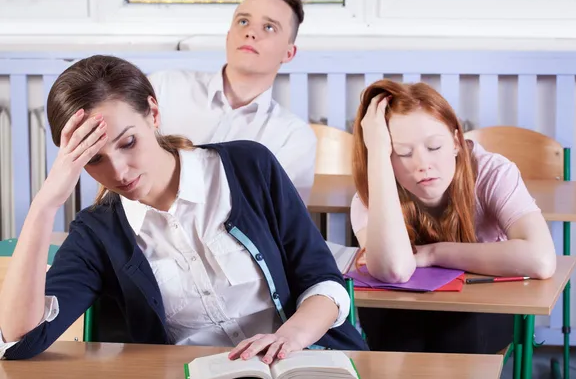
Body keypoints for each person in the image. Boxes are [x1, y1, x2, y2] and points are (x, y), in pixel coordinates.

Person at [0, 55, 367, 361]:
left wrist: (291, 337)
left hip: (306, 360)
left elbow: (323, 280)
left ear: (153, 113)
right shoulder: (97, 233)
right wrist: (45, 204)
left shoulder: (249, 166)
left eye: (128, 142)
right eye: (93, 160)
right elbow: (20, 340)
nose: (118, 171)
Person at [350, 79, 557, 354]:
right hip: (404, 317)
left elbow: (541, 260)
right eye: (402, 152)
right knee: (400, 341)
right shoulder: (373, 194)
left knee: (457, 338)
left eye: (434, 147)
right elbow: (394, 269)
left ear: (457, 142)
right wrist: (375, 152)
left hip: (478, 312)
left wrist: (434, 254)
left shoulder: (491, 172)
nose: (423, 165)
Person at [148, 0, 316, 190]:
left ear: (288, 53)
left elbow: (280, 219)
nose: (251, 33)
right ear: (228, 37)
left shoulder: (293, 137)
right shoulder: (163, 87)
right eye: (243, 22)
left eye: (269, 27)